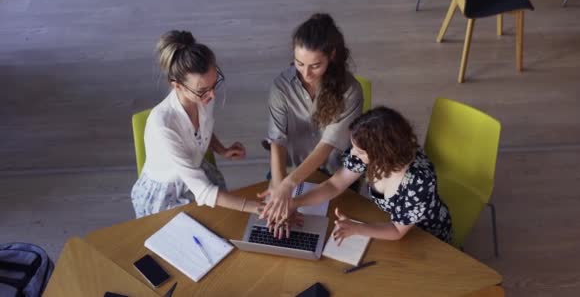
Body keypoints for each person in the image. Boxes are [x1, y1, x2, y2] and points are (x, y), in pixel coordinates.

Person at [131, 30, 261, 218]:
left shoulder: (204, 96)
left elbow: (201, 128)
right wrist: (258, 208)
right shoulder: (163, 125)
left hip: (195, 172)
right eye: (203, 90)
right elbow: (203, 191)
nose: (212, 95)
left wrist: (221, 149)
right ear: (177, 86)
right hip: (166, 194)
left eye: (214, 84)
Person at [277, 106, 453, 244]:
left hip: (424, 235)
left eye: (360, 151)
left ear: (382, 153)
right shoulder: (368, 155)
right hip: (387, 222)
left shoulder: (419, 181)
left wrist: (358, 228)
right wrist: (294, 203)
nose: (353, 153)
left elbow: (397, 231)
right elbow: (334, 185)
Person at [259, 13, 363, 226]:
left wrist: (288, 187)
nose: (306, 73)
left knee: (328, 228)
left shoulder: (350, 91)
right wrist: (280, 192)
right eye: (299, 63)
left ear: (331, 56)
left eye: (315, 65)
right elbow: (277, 140)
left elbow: (327, 146)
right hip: (289, 168)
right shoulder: (281, 87)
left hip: (333, 172)